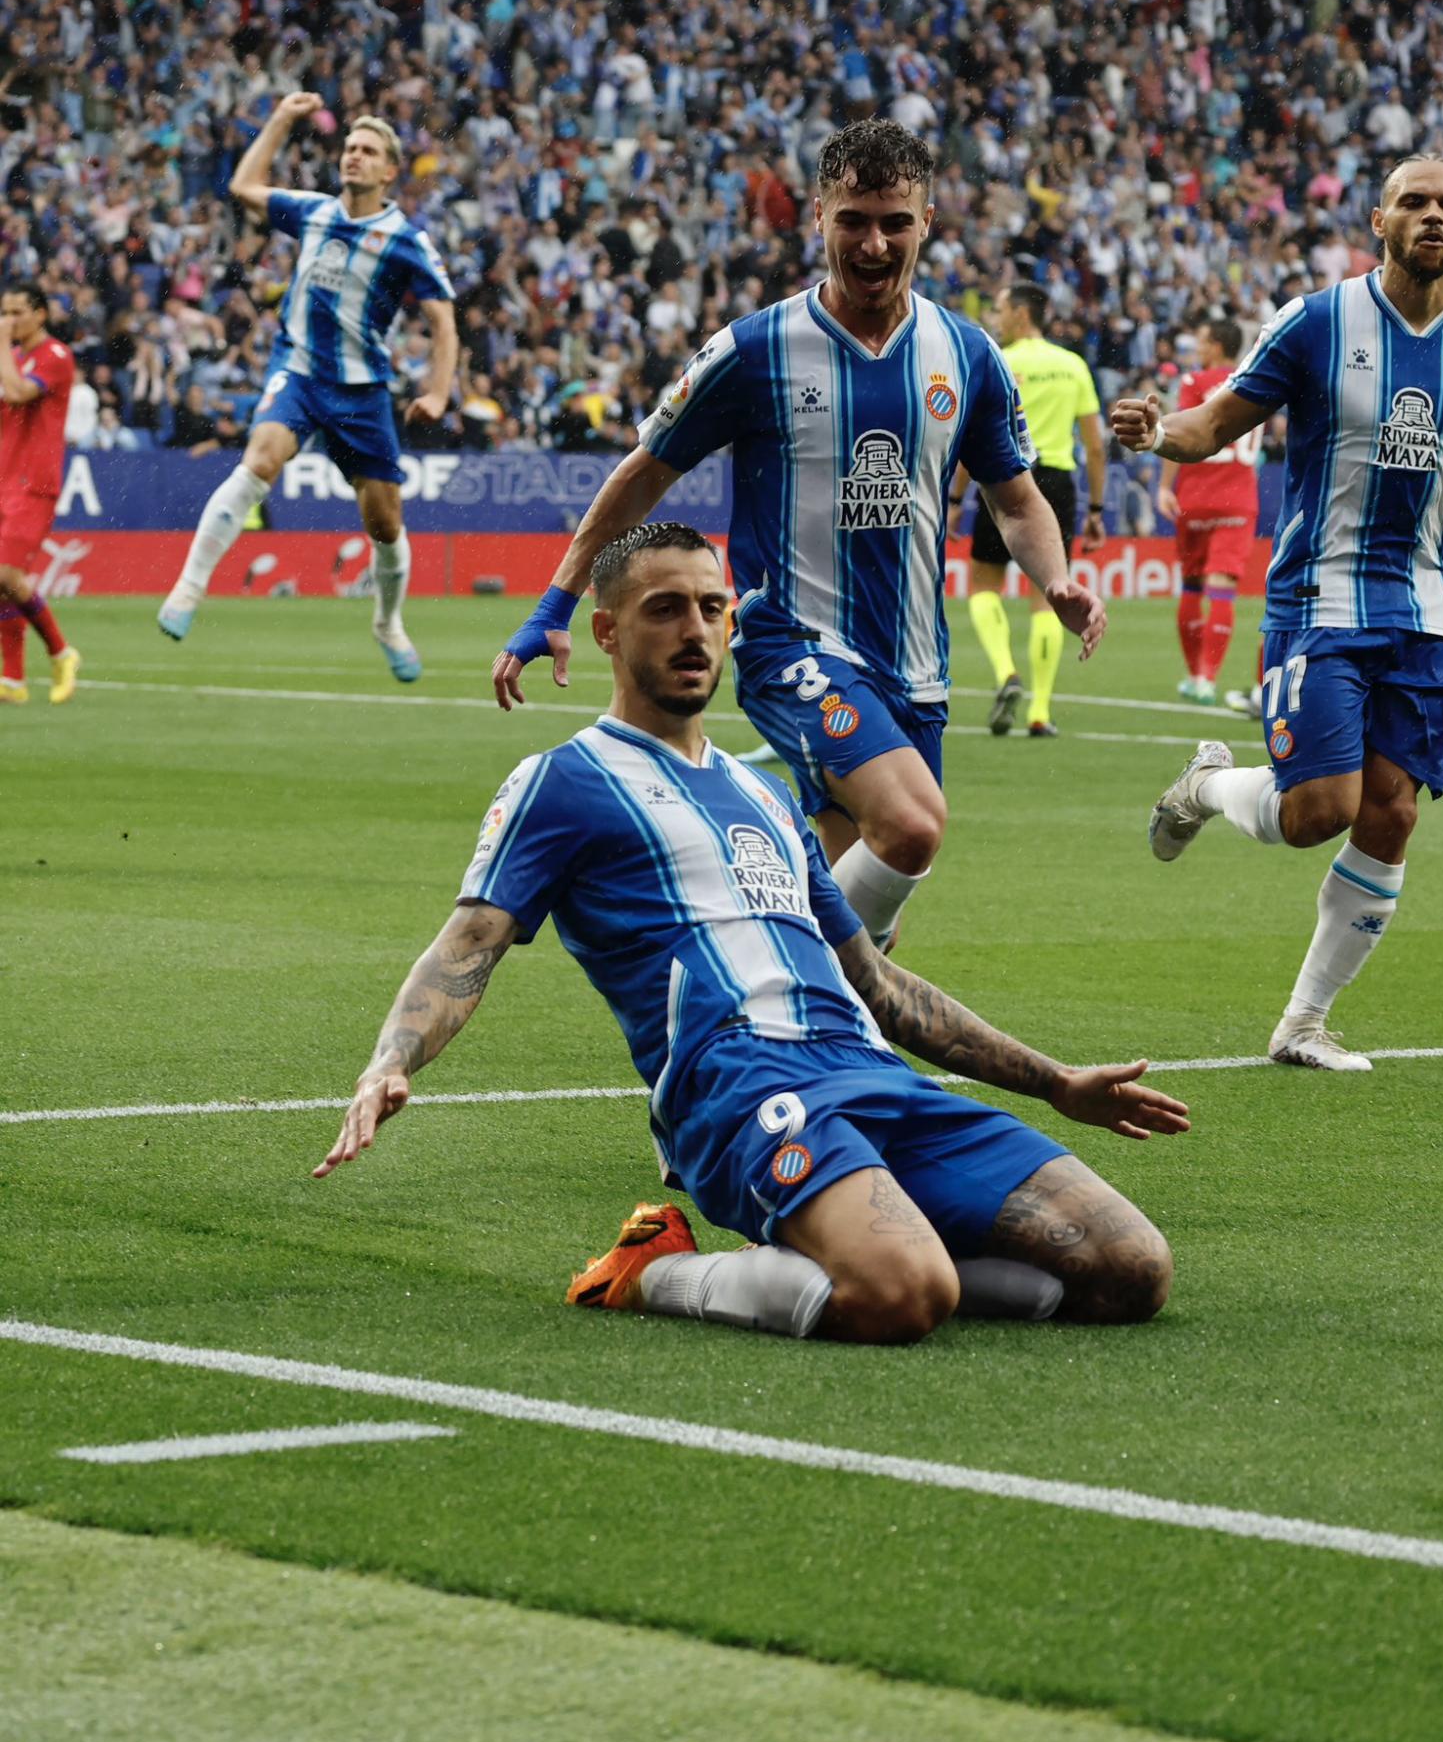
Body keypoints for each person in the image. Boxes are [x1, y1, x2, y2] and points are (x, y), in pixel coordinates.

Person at [321, 523, 1182, 1345]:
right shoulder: (564, 781)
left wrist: (1058, 1083)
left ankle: (862, 1251)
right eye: (665, 609)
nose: (694, 630)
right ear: (608, 632)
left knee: (1129, 1270)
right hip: (739, 1090)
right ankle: (650, 1270)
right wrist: (389, 1062)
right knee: (906, 1296)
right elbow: (470, 943)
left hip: (869, 1074)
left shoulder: (766, 797)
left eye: (711, 608)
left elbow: (879, 990)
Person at [491, 120, 1106, 953]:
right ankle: (765, 975)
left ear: (927, 222)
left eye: (895, 220)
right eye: (854, 219)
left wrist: (1055, 578)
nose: (875, 241)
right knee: (915, 826)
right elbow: (641, 473)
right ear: (818, 216)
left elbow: (1019, 500)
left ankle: (800, 1025)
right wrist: (554, 603)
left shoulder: (966, 354)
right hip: (792, 644)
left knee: (862, 905)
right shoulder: (753, 350)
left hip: (916, 669)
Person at [1112, 157, 1443, 1070]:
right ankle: (1207, 786)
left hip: (1423, 612)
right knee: (1317, 812)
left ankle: (1303, 1023)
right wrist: (1158, 432)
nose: (1432, 216)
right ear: (1378, 220)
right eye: (1414, 202)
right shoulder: (1317, 321)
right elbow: (1216, 423)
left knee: (1390, 816)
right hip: (1317, 598)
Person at [156, 95, 458, 681]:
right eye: (349, 148)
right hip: (296, 371)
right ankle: (189, 588)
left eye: (368, 151)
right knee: (260, 458)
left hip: (362, 391)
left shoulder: (404, 240)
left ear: (390, 171)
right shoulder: (313, 211)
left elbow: (446, 321)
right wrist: (280, 120)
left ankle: (387, 622)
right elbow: (244, 185)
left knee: (385, 523)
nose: (354, 157)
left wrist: (440, 391)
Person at [957, 282, 1107, 737]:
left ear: (1022, 314)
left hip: (1006, 476)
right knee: (1050, 595)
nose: (996, 318)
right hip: (1058, 481)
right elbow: (1096, 446)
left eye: (1000, 308)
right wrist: (1096, 507)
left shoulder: (999, 360)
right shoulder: (1073, 366)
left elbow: (973, 436)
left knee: (984, 581)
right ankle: (1040, 710)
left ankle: (1005, 672)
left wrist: (953, 499)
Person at [1158, 317, 1263, 706]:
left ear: (1217, 345)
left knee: (1191, 586)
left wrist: (1164, 488)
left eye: (1201, 340)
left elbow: (1176, 433)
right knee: (1222, 589)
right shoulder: (1255, 379)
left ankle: (1195, 675)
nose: (1197, 348)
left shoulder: (1194, 383)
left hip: (1196, 495)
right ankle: (1209, 679)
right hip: (1238, 498)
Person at [0, 282, 80, 706]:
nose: (8, 320)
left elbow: (17, 392)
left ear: (40, 316)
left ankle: (61, 652)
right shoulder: (10, 358)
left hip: (33, 485)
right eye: (4, 312)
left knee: (7, 576)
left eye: (16, 313)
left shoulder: (55, 356)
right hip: (3, 479)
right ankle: (12, 681)